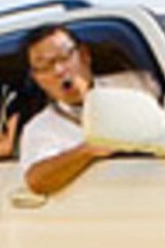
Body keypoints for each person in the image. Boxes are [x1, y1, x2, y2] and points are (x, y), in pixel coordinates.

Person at [18, 24, 120, 195]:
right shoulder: (39, 128)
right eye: (44, 66)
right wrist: (88, 150)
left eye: (64, 57)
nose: (59, 71)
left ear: (84, 55)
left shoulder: (131, 87)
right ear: (37, 79)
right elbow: (37, 181)